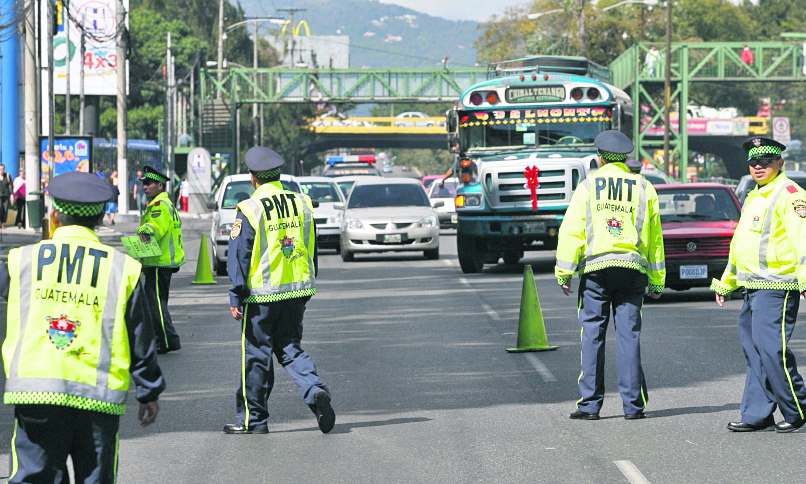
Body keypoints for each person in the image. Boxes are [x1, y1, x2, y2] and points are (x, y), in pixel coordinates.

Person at [0, 171, 165, 482]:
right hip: (98, 399)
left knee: (35, 477)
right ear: (100, 218)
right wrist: (148, 390)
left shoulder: (22, 260)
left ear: (54, 215)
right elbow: (141, 335)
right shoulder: (121, 268)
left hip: (37, 394)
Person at [555, 130, 665, 420]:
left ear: (600, 158)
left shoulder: (588, 186)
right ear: (626, 158)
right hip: (631, 270)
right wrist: (657, 280)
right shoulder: (644, 187)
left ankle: (590, 405)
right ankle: (633, 406)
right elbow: (654, 238)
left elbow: (572, 230)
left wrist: (564, 272)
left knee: (592, 335)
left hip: (596, 272)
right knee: (629, 337)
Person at [225, 146, 334, 435]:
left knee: (257, 356)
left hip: (261, 295)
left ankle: (254, 421)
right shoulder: (302, 202)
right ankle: (314, 389)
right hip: (297, 290)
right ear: (279, 175)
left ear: (252, 177)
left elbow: (239, 256)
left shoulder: (250, 208)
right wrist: (308, 280)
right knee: (289, 347)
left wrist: (236, 294)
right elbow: (311, 245)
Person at [711, 137, 806, 433]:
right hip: (752, 286)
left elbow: (803, 238)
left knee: (771, 350)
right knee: (754, 352)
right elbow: (740, 245)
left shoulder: (790, 194)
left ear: (780, 163)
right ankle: (757, 414)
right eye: (753, 162)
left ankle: (798, 407)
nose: (758, 166)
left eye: (765, 161)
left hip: (778, 286)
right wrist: (726, 282)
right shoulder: (755, 195)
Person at [137, 166, 185, 354]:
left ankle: (166, 341)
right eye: (144, 184)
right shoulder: (163, 203)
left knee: (156, 303)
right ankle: (164, 339)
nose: (145, 187)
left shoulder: (159, 206)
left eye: (148, 183)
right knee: (157, 302)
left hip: (159, 262)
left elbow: (156, 227)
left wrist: (146, 229)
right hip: (159, 262)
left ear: (160, 185)